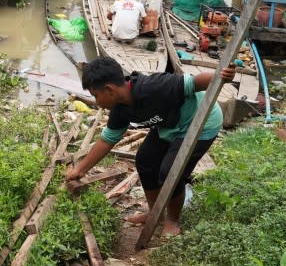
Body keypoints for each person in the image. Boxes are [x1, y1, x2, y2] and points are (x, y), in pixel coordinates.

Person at [66, 56, 235, 237]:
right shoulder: (120, 109)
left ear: (109, 90)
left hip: (201, 121)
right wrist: (80, 170)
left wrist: (223, 76)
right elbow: (107, 141)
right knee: (145, 160)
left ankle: (172, 219)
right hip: (169, 126)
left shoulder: (155, 87)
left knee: (171, 170)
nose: (97, 102)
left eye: (95, 95)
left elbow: (194, 83)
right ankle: (155, 213)